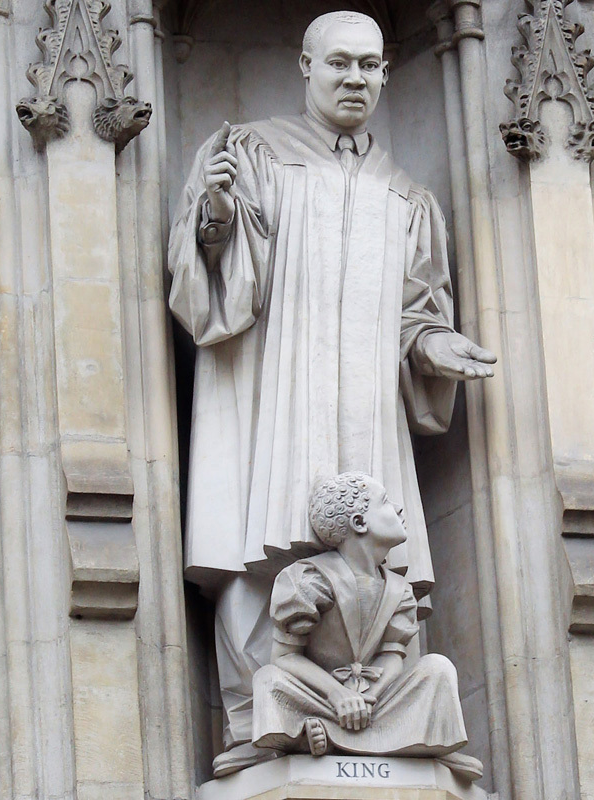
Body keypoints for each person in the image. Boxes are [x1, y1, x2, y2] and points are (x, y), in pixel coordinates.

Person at [168, 11, 494, 777]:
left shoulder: (407, 197)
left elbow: (420, 309)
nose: (356, 78)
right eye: (340, 63)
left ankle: (377, 720)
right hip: (268, 397)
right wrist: (214, 219)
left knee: (377, 564)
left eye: (372, 66)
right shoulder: (247, 152)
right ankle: (259, 722)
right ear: (305, 66)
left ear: (386, 75)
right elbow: (209, 291)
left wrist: (433, 343)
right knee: (262, 544)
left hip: (364, 412)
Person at [252, 472, 480, 780]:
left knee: (438, 669)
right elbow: (284, 657)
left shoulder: (401, 590)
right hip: (322, 697)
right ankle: (390, 740)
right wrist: (338, 695)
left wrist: (368, 699)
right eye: (385, 502)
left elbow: (392, 656)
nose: (399, 509)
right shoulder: (308, 579)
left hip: (376, 699)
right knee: (268, 680)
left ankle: (327, 737)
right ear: (360, 523)